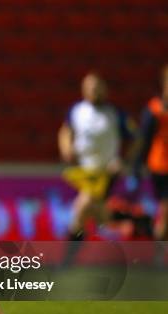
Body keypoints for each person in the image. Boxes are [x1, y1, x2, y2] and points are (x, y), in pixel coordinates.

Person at [57, 72, 135, 241]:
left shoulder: (115, 114)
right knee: (97, 214)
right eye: (91, 87)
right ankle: (136, 224)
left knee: (82, 208)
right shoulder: (77, 111)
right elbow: (65, 131)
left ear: (105, 89)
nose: (95, 91)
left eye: (97, 87)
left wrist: (124, 160)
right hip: (85, 172)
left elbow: (135, 139)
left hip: (107, 172)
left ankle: (66, 261)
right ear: (83, 90)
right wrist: (66, 148)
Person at [132, 64, 168, 265]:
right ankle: (157, 258)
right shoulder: (154, 109)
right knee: (166, 212)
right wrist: (137, 166)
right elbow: (144, 140)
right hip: (161, 168)